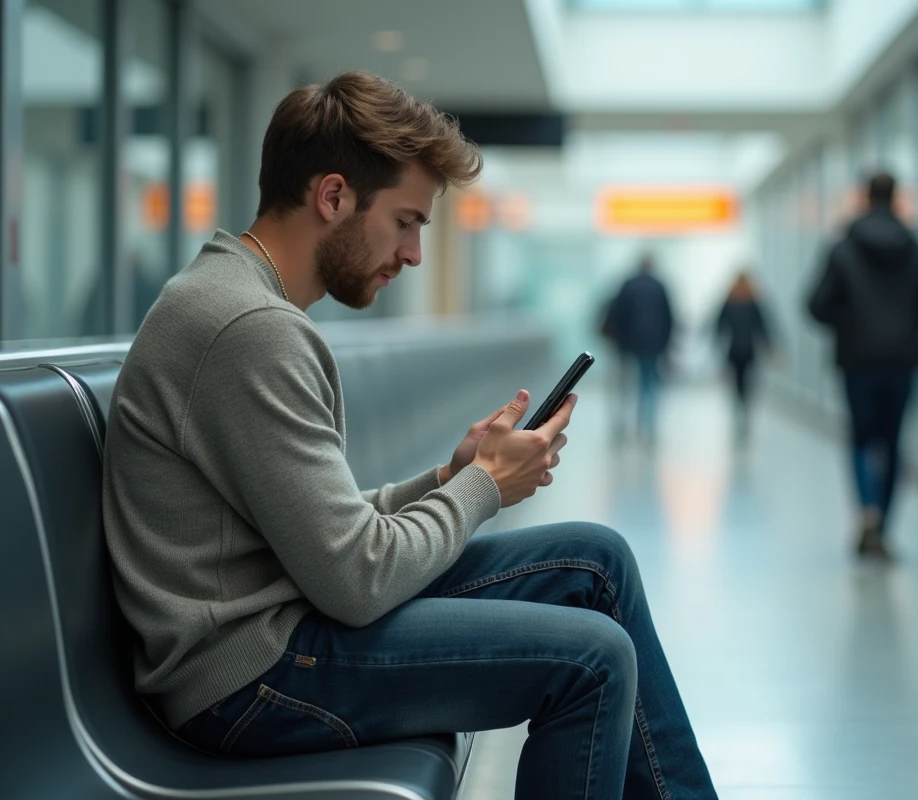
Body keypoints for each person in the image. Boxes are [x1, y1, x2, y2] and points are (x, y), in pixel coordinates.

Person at [102, 72, 717, 800]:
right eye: (406, 221)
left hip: (280, 624)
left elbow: (321, 534)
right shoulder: (251, 331)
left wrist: (450, 477)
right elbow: (358, 579)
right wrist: (482, 488)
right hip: (248, 679)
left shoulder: (237, 303)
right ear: (333, 197)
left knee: (596, 562)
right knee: (594, 660)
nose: (415, 253)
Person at [807, 172, 918, 559]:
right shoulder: (916, 247)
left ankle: (866, 510)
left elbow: (816, 305)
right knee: (894, 440)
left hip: (857, 359)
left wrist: (849, 321)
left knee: (862, 439)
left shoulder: (843, 247)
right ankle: (883, 522)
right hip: (903, 360)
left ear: (865, 197)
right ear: (896, 197)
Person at [603, 255, 675, 445]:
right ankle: (647, 424)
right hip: (654, 343)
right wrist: (667, 345)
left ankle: (626, 423)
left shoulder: (628, 286)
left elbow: (618, 315)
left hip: (630, 343)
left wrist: (620, 342)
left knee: (626, 384)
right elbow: (668, 317)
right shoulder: (660, 286)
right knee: (649, 382)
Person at [715, 270, 772, 441]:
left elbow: (719, 324)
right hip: (748, 350)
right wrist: (769, 345)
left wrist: (716, 340)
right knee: (746, 383)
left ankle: (740, 411)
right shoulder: (752, 302)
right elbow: (763, 326)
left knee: (737, 384)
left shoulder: (730, 301)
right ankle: (744, 411)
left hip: (734, 350)